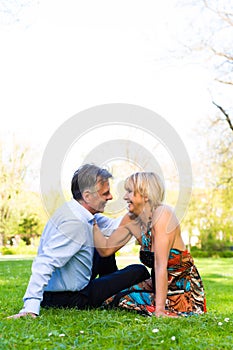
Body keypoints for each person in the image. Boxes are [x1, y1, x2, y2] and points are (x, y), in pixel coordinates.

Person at [8, 164, 150, 318]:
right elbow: (45, 262)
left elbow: (113, 227)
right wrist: (31, 306)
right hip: (68, 298)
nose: (110, 197)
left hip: (70, 287)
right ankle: (111, 291)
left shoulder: (79, 212)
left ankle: (111, 289)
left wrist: (138, 210)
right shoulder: (75, 223)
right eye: (105, 193)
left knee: (100, 244)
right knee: (138, 270)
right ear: (88, 196)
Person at [93, 172, 207, 317]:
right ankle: (155, 304)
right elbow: (106, 250)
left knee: (123, 301)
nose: (125, 197)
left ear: (145, 195)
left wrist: (159, 310)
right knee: (112, 299)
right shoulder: (131, 220)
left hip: (182, 290)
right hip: (156, 285)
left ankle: (166, 308)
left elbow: (160, 265)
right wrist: (92, 221)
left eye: (129, 192)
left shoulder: (163, 215)